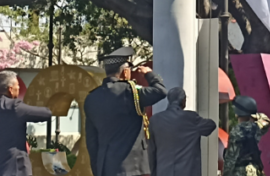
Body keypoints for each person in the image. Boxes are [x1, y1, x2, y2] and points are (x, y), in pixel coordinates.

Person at [84, 47, 167, 176]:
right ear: (125, 72)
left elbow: (92, 142)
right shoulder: (130, 92)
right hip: (132, 167)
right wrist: (149, 73)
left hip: (106, 168)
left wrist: (98, 170)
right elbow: (161, 91)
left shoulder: (91, 98)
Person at [0, 71, 52, 176]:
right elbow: (46, 114)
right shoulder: (15, 108)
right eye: (17, 86)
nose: (19, 89)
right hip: (17, 171)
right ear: (10, 89)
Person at [147, 87, 216, 176]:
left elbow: (151, 152)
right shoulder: (191, 119)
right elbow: (211, 125)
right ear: (183, 101)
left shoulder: (155, 120)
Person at [222, 96, 269, 176]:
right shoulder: (256, 128)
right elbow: (266, 120)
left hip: (241, 171)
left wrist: (225, 174)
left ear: (237, 113)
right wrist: (254, 115)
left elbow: (231, 158)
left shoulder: (236, 131)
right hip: (254, 170)